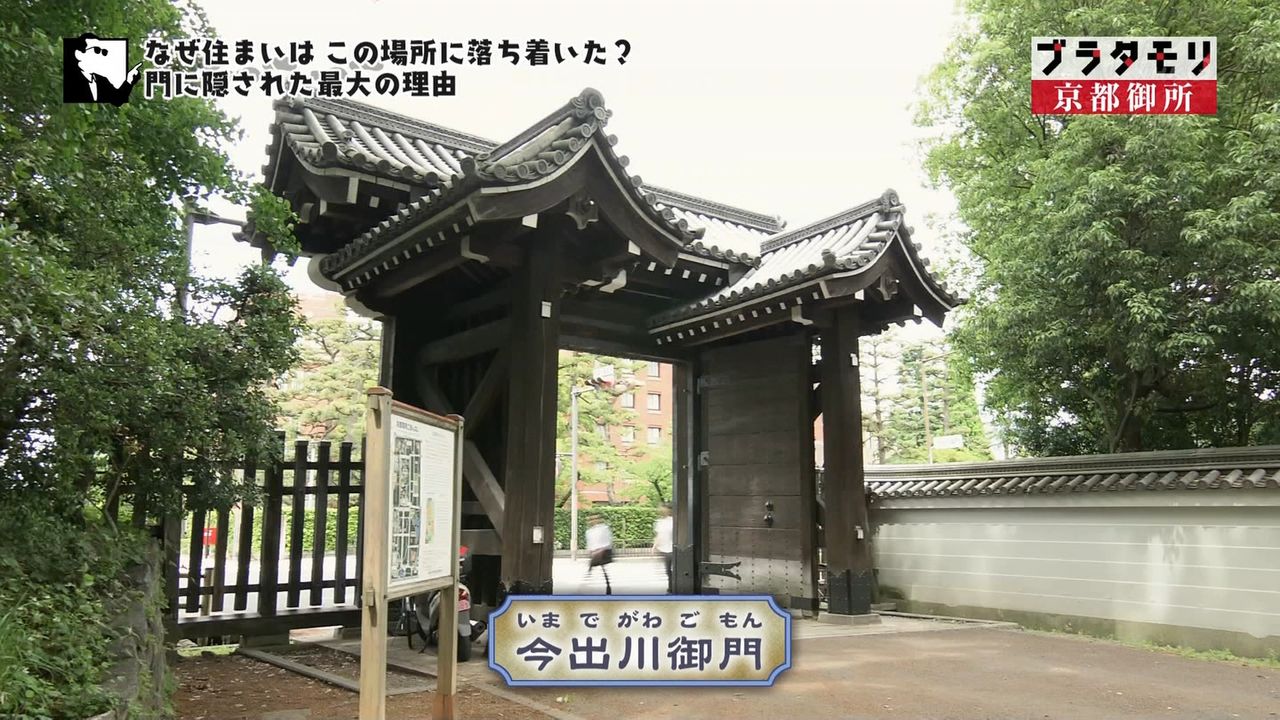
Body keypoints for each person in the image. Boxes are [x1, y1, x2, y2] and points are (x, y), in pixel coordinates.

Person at [584, 513, 614, 595]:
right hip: (595, 552)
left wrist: (601, 550)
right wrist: (591, 551)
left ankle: (607, 586)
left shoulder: (603, 529)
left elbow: (607, 541)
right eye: (591, 519)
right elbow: (590, 543)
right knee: (599, 568)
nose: (592, 521)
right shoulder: (589, 531)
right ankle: (606, 585)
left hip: (603, 552)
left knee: (600, 568)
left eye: (595, 519)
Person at [652, 503, 674, 593]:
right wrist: (654, 546)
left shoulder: (673, 521)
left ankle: (672, 587)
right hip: (664, 549)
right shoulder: (660, 522)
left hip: (673, 548)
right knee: (668, 570)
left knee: (672, 569)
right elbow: (659, 535)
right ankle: (671, 587)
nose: (662, 511)